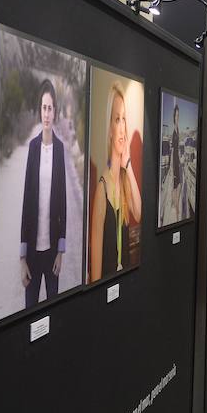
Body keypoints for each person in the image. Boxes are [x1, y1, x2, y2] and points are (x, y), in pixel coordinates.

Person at [19, 79, 67, 308]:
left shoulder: (60, 150)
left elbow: (64, 202)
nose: (46, 114)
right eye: (43, 108)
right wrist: (22, 256)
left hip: (51, 254)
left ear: (55, 111)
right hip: (33, 254)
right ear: (40, 111)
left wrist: (61, 252)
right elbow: (27, 202)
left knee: (53, 311)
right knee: (30, 313)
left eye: (50, 108)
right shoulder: (32, 148)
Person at [90, 82, 142, 282]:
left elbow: (138, 212)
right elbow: (95, 275)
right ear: (110, 128)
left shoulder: (124, 181)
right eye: (117, 120)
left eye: (124, 120)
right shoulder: (102, 189)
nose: (122, 129)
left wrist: (128, 164)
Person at [171, 103, 182, 220]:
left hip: (177, 159)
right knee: (176, 184)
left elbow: (177, 147)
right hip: (174, 160)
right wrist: (171, 165)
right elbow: (173, 148)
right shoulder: (174, 129)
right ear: (173, 116)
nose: (177, 117)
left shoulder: (178, 129)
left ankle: (176, 204)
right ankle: (176, 206)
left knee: (179, 183)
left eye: (178, 115)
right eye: (176, 115)